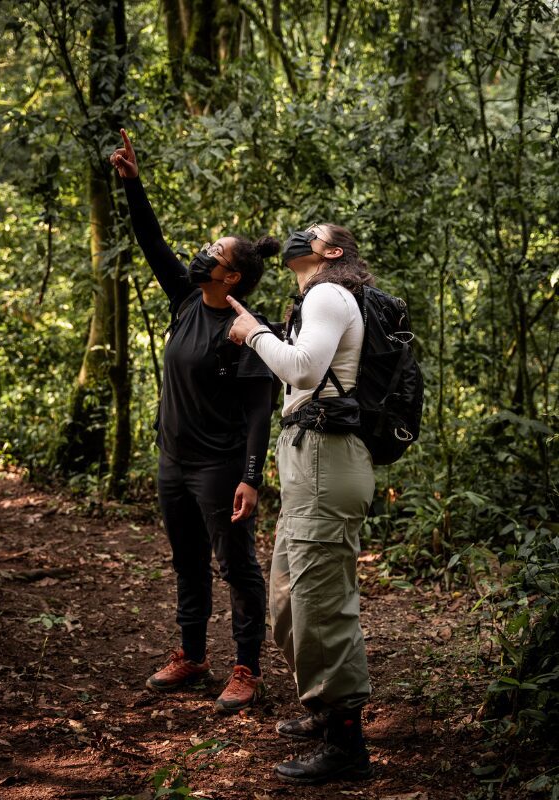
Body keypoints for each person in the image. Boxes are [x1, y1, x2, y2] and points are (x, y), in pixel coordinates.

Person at [109, 129, 279, 713]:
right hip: (173, 460)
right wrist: (134, 185)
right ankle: (191, 653)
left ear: (231, 277)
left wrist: (251, 477)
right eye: (207, 247)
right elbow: (152, 241)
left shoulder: (249, 330)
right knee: (186, 559)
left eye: (216, 253)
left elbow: (261, 411)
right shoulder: (185, 300)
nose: (203, 253)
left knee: (236, 564)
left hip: (219, 464)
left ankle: (247, 667)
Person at [227, 223, 376, 782]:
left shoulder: (327, 293)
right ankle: (321, 707)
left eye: (309, 233)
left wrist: (254, 333)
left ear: (332, 253)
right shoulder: (321, 298)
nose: (295, 236)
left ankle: (347, 745)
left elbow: (304, 369)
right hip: (308, 455)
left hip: (326, 457)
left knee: (319, 603)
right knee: (288, 603)